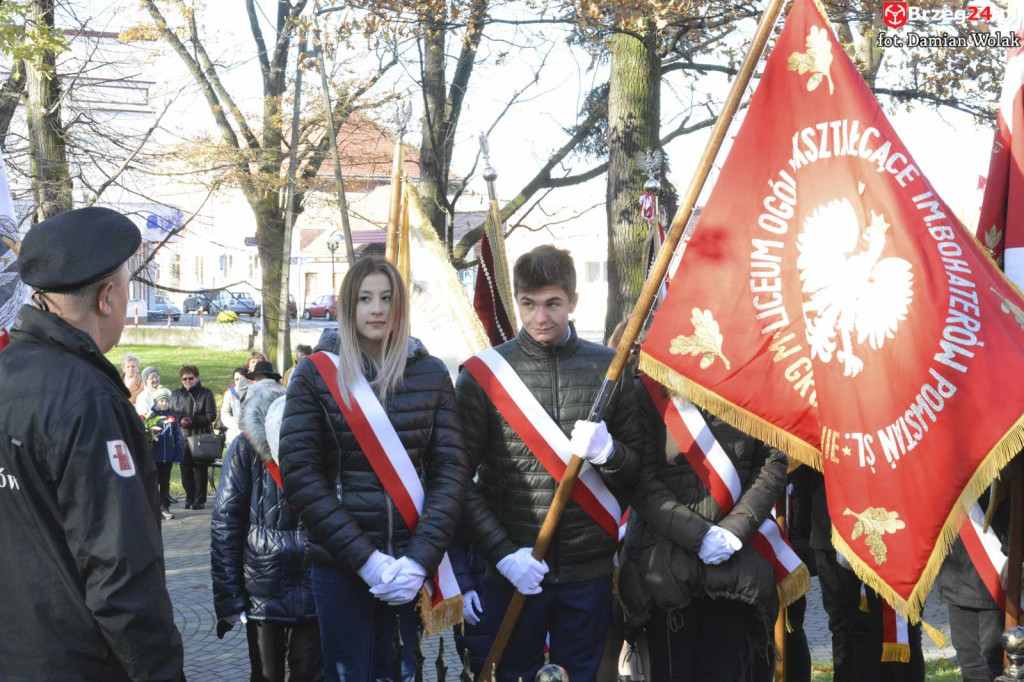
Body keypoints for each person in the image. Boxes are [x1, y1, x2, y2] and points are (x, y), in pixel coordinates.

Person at [0, 206, 184, 680]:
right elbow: (120, 573)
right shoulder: (86, 400)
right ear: (106, 298)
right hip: (76, 662)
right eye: (124, 287)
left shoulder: (9, 373)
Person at [455, 244, 644, 682]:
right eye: (529, 304)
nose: (541, 317)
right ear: (517, 301)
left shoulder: (610, 371)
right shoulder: (485, 375)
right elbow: (459, 481)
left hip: (588, 570)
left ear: (573, 301)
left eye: (553, 304)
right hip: (514, 567)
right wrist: (502, 556)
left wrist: (609, 454)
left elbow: (637, 474)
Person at [279, 256, 470, 682]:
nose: (377, 309)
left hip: (409, 566)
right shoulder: (315, 376)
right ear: (348, 306)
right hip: (342, 566)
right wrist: (366, 562)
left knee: (404, 673)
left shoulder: (431, 374)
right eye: (365, 299)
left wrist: (419, 561)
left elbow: (451, 472)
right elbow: (301, 475)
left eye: (386, 298)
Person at [617, 380, 786, 682]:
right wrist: (699, 536)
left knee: (727, 671)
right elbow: (640, 479)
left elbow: (771, 463)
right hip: (666, 567)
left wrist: (733, 532)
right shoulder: (647, 390)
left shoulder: (751, 386)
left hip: (734, 565)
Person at [212, 378, 323, 682]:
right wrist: (230, 597)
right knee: (269, 675)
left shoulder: (318, 440)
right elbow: (226, 521)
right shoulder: (245, 448)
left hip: (303, 581)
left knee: (294, 674)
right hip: (266, 587)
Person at [172, 363, 218, 510]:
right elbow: (172, 413)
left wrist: (193, 420)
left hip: (200, 436)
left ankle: (199, 499)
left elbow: (211, 415)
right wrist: (180, 420)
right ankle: (189, 497)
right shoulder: (176, 394)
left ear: (197, 378)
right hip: (183, 436)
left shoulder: (206, 393)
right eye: (184, 379)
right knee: (185, 469)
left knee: (199, 470)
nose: (187, 381)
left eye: (190, 378)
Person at [149, 386, 185, 520]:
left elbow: (178, 437)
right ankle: (153, 508)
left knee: (165, 482)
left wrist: (178, 454)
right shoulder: (151, 417)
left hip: (168, 456)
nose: (163, 403)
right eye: (161, 401)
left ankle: (165, 507)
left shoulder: (172, 417)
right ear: (156, 402)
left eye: (166, 401)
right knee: (153, 483)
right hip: (154, 456)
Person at [220, 366, 249, 448]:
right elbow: (225, 414)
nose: (239, 382)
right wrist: (237, 425)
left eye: (242, 379)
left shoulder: (253, 391)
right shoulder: (230, 393)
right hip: (234, 431)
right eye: (236, 379)